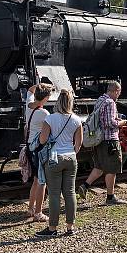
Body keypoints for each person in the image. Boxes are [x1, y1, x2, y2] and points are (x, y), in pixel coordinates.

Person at [35, 89, 83, 238]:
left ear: (58, 102)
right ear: (70, 102)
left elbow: (42, 140)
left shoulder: (50, 119)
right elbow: (79, 144)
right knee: (70, 192)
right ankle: (70, 227)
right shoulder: (76, 119)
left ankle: (52, 228)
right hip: (70, 158)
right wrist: (71, 152)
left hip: (54, 158)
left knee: (54, 194)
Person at [77, 81, 127, 205]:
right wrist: (121, 123)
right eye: (119, 93)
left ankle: (84, 186)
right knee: (112, 169)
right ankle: (110, 198)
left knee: (99, 167)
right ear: (115, 91)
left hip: (99, 140)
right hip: (110, 140)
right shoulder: (110, 102)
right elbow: (109, 123)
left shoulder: (100, 100)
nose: (118, 95)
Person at [25, 83, 51, 222]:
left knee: (35, 180)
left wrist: (39, 85)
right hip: (39, 149)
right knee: (42, 181)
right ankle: (38, 212)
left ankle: (30, 208)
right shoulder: (44, 113)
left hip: (29, 147)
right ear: (46, 98)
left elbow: (30, 90)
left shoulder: (28, 105)